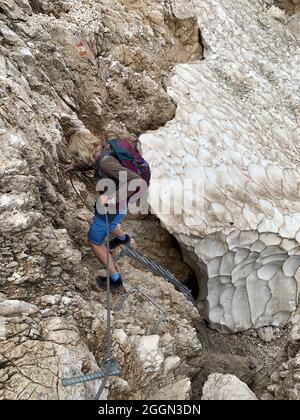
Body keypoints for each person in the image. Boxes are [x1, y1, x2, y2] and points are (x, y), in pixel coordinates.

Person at [65, 130, 148, 291]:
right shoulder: (104, 152)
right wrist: (76, 167)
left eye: (78, 156)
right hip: (121, 204)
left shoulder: (105, 162)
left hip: (112, 206)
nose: (77, 158)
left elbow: (136, 182)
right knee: (113, 221)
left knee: (95, 242)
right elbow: (96, 164)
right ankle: (122, 238)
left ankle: (115, 281)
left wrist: (111, 198)